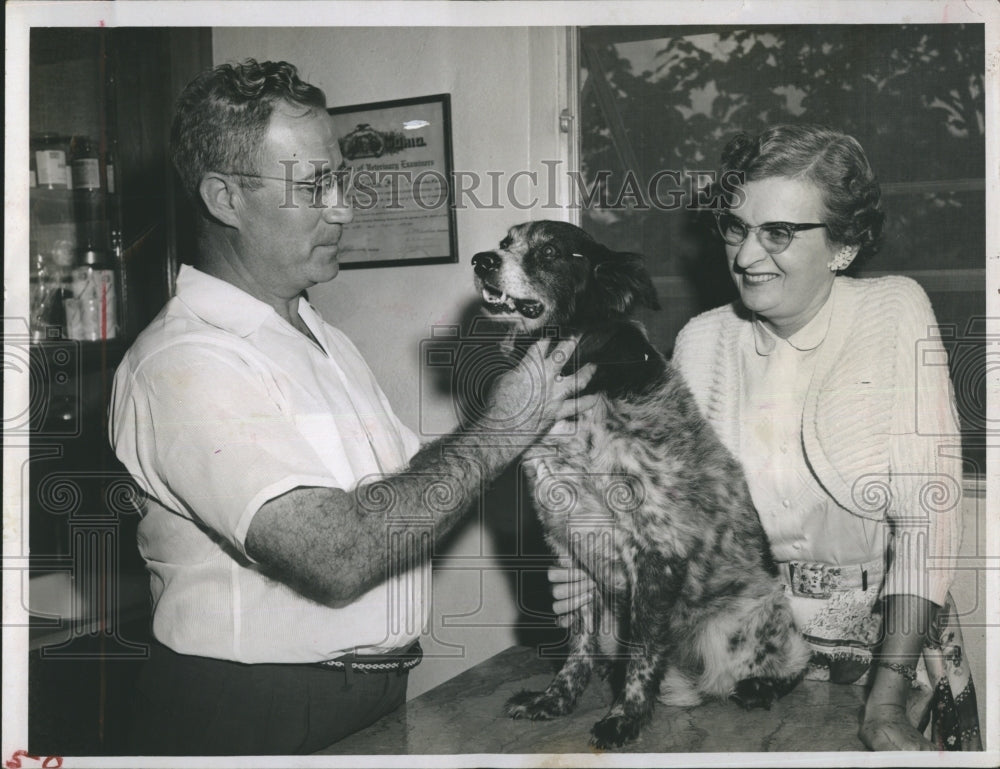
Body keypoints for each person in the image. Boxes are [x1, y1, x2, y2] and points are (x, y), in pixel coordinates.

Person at [109, 59, 596, 756]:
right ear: (224, 198)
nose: (343, 208)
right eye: (314, 186)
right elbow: (335, 554)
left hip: (367, 695)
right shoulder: (183, 363)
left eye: (340, 179)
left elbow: (411, 485)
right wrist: (502, 429)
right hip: (252, 711)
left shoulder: (314, 332)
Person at [549, 123, 981, 751]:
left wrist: (886, 701)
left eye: (778, 232)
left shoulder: (894, 311)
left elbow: (927, 522)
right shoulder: (700, 341)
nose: (747, 256)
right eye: (736, 227)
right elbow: (668, 527)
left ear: (843, 244)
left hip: (881, 655)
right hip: (737, 652)